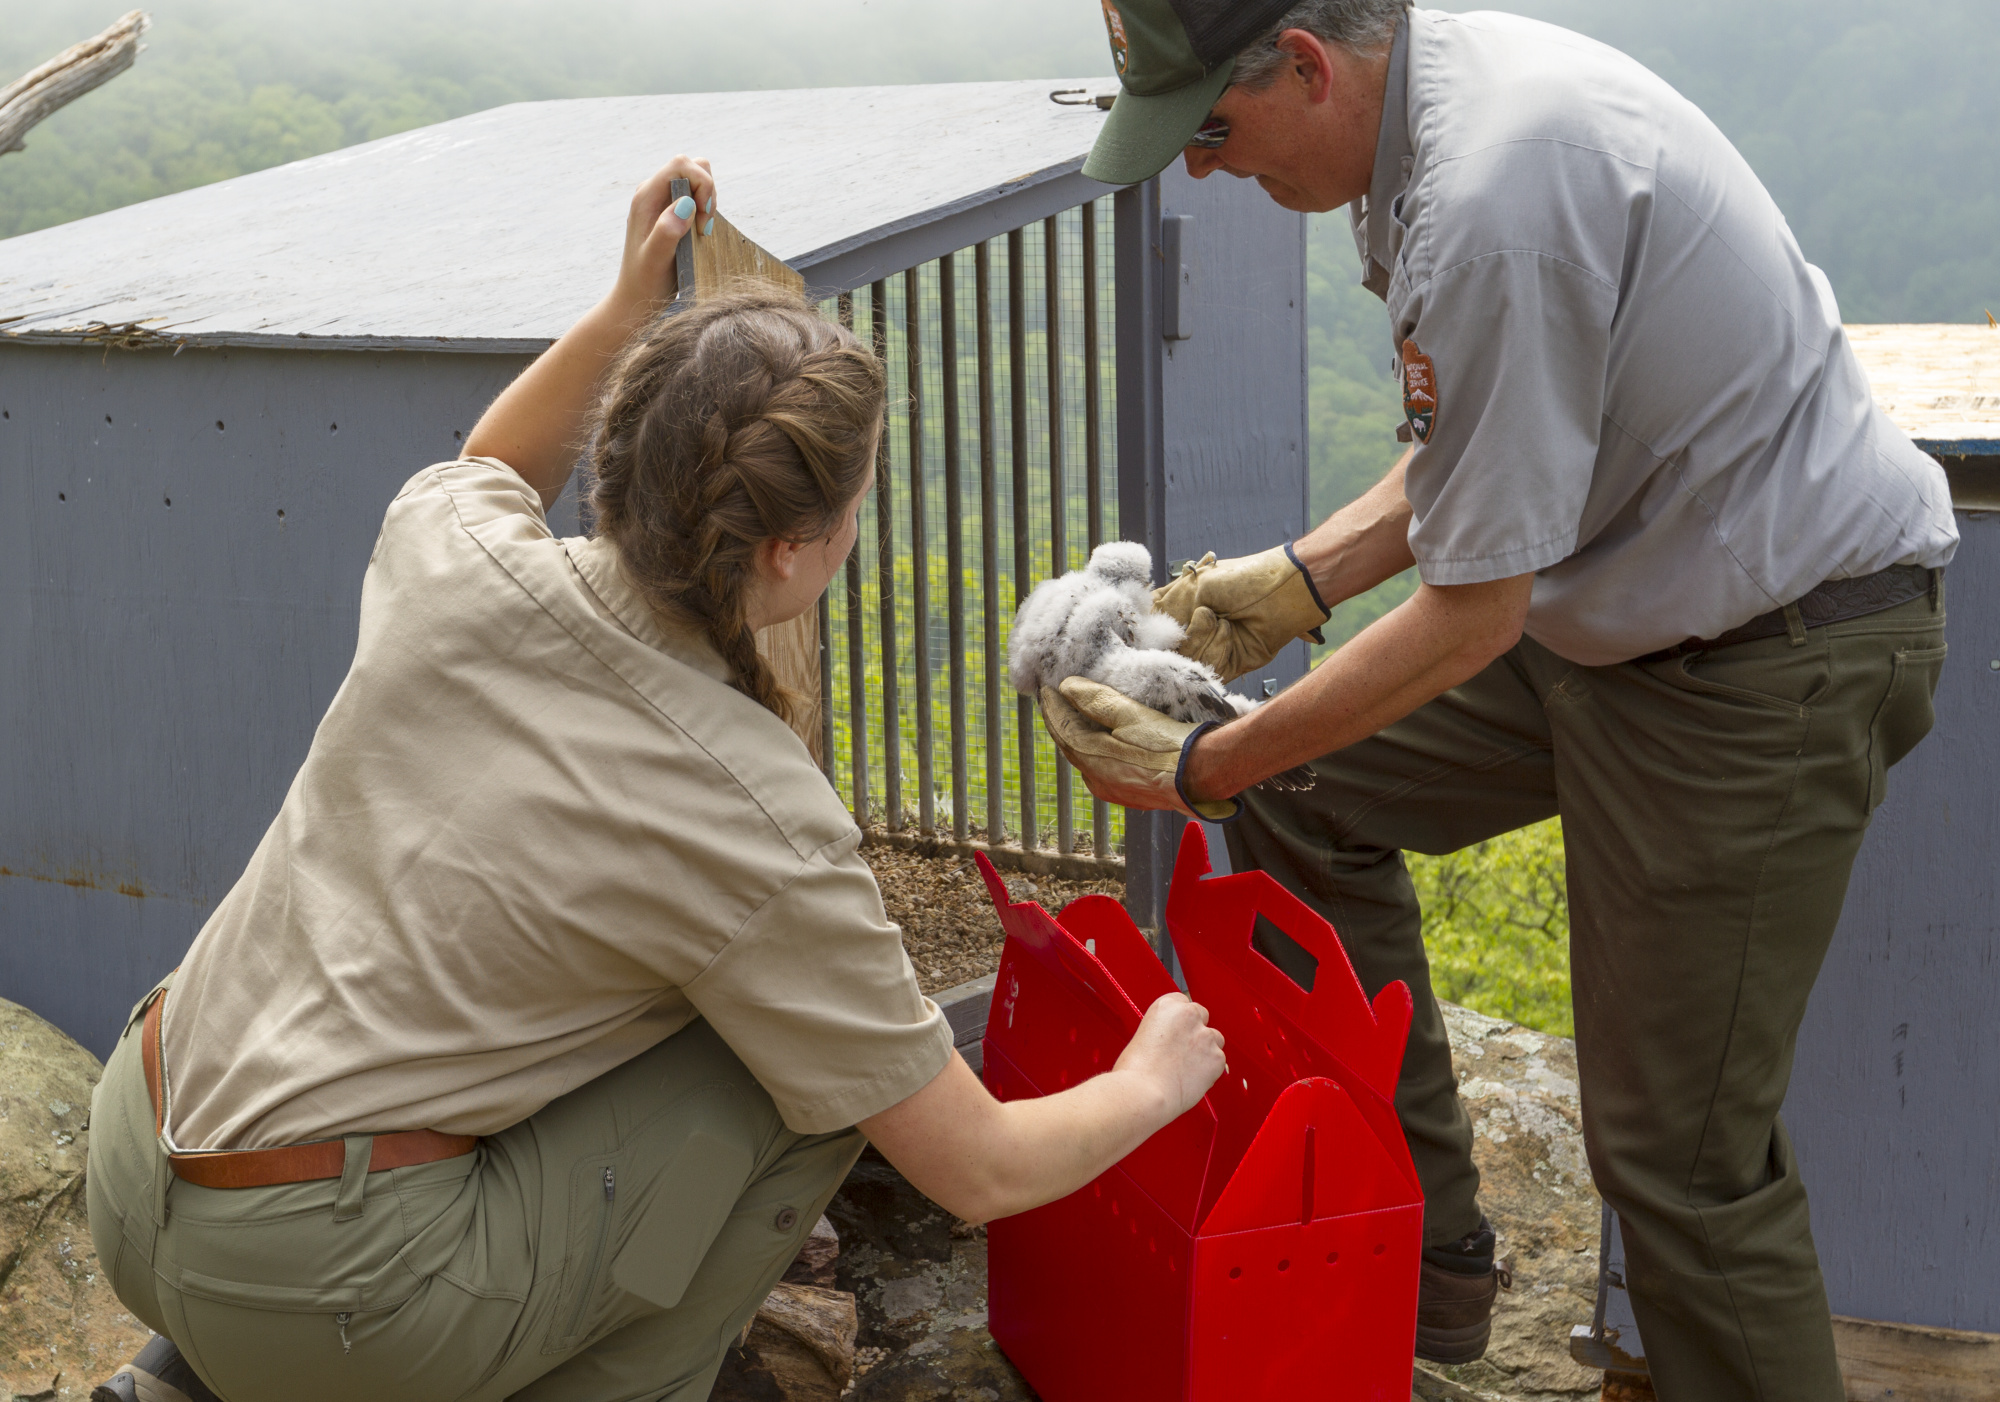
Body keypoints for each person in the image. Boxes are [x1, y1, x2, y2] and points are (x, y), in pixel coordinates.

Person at [87, 155, 1228, 1402]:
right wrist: (1148, 1080)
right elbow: (979, 1166)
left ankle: (179, 1384)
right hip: (329, 1293)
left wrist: (626, 307)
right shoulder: (753, 811)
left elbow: (493, 457)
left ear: (617, 452)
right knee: (808, 1079)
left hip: (138, 1157)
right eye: (850, 516)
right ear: (793, 551)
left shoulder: (452, 550)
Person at [1046, 3, 1956, 1399]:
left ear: (1303, 62)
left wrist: (1204, 763)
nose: (1202, 171)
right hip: (1632, 606)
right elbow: (1485, 433)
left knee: (1682, 1163)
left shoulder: (1491, 193)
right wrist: (1287, 586)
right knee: (1314, 783)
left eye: (1212, 130)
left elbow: (1475, 615)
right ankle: (1428, 1249)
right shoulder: (1408, 123)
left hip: (1766, 651)